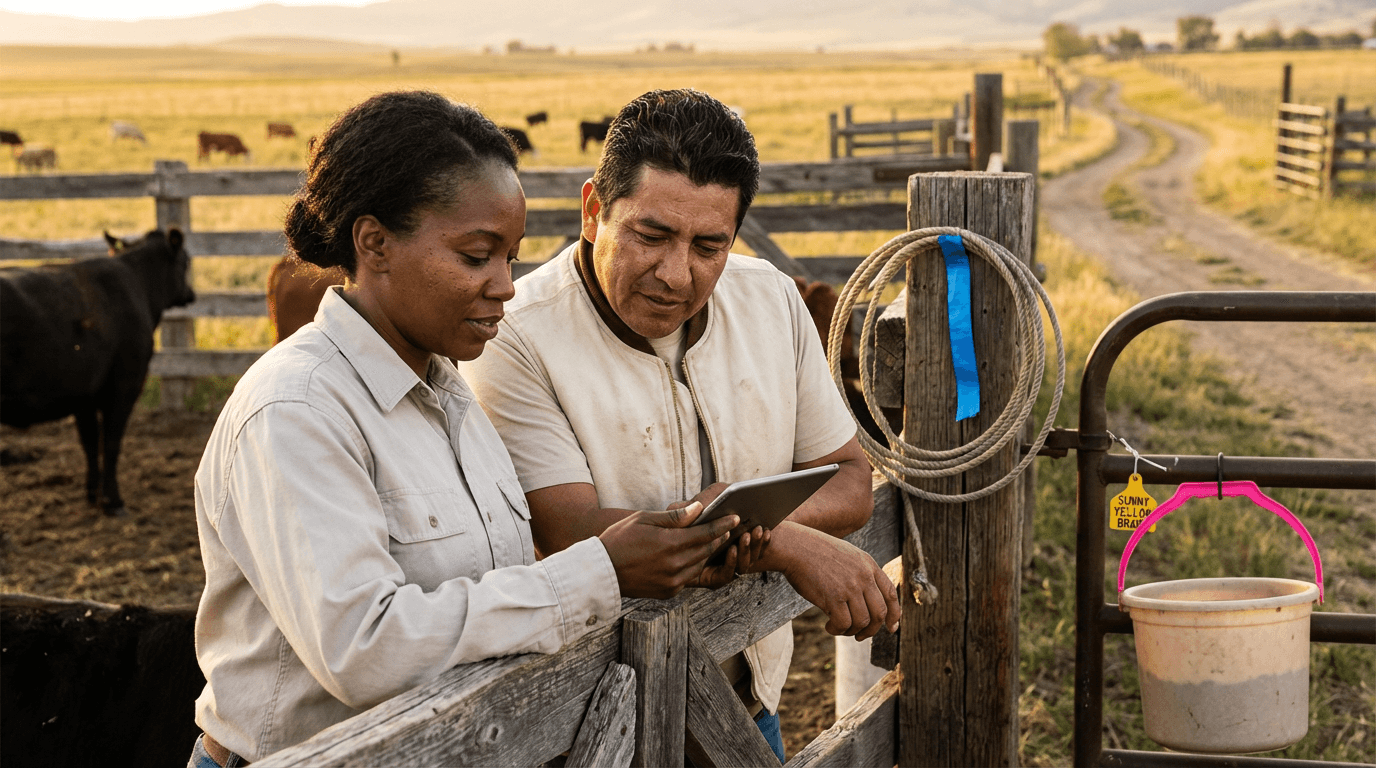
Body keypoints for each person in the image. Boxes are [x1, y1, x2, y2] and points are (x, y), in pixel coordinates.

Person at [187, 91, 745, 767]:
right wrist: (601, 570)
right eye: (477, 255)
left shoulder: (450, 393)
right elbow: (364, 649)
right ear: (375, 243)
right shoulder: (296, 412)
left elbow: (486, 588)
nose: (506, 285)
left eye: (511, 256)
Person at [459, 88, 901, 762]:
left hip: (749, 704)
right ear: (592, 212)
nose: (676, 273)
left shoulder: (771, 300)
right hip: (596, 730)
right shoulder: (517, 334)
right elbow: (569, 527)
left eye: (708, 245)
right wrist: (778, 541)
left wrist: (755, 529)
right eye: (651, 234)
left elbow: (848, 477)